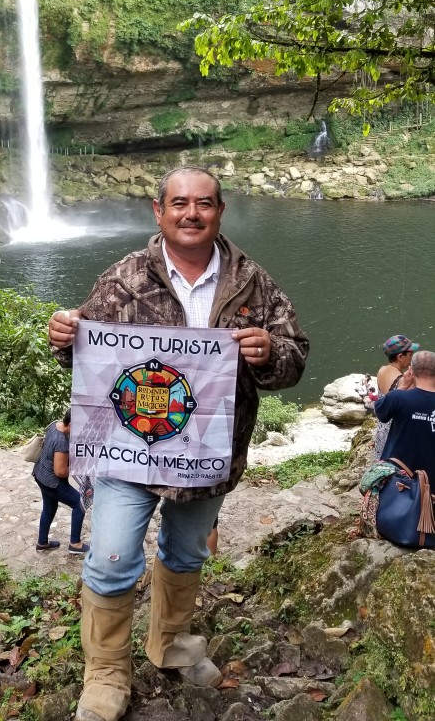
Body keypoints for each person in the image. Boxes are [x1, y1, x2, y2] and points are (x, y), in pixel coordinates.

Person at [48, 166, 309, 721]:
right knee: (112, 555)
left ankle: (169, 643)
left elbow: (294, 356)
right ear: (158, 210)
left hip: (208, 453)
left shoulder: (251, 282)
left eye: (205, 204)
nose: (192, 214)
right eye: (180, 204)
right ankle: (106, 674)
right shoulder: (123, 278)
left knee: (186, 551)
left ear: (220, 211)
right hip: (129, 451)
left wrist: (270, 353)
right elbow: (88, 358)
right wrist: (65, 338)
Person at [33, 410, 90, 555]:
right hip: (52, 481)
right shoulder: (61, 442)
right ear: (70, 424)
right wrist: (78, 466)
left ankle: (42, 543)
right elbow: (60, 471)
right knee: (79, 503)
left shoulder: (55, 425)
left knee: (49, 508)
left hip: (41, 474)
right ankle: (75, 544)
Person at [375, 350, 435, 483]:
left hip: (400, 482)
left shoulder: (398, 398)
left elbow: (380, 411)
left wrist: (402, 386)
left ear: (411, 372)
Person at [373, 335, 420, 458]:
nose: (412, 357)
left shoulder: (382, 370)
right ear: (400, 357)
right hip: (395, 436)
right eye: (410, 354)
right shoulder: (402, 382)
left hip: (381, 433)